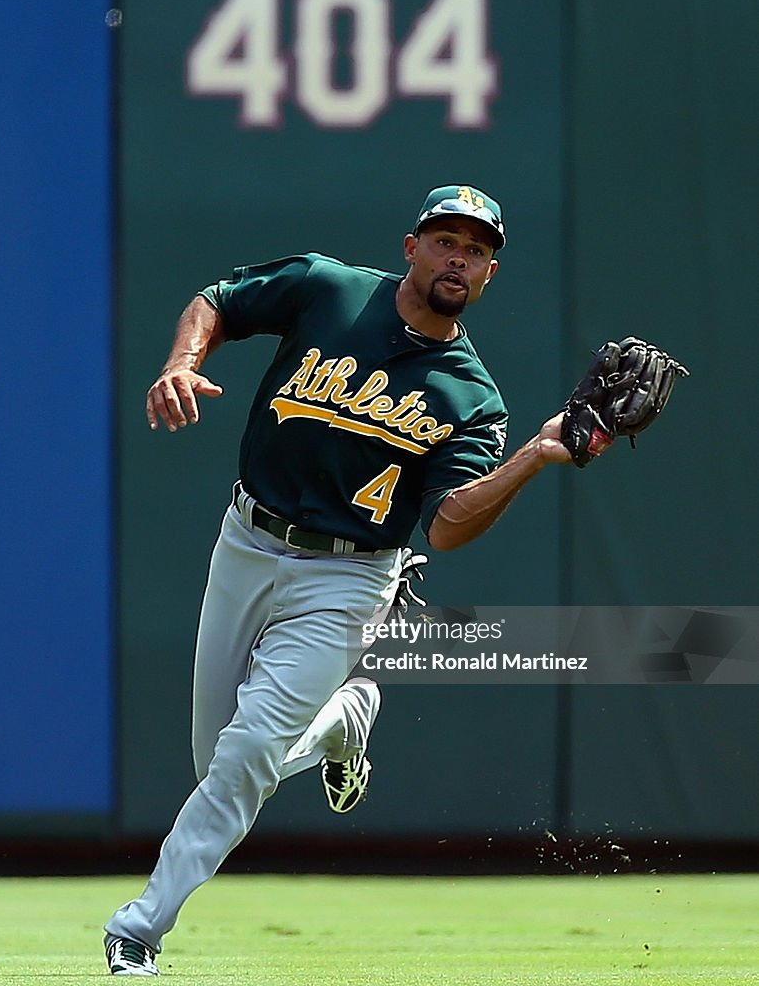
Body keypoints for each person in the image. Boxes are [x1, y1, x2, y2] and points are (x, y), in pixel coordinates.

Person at [103, 184, 574, 976]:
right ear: (410, 247)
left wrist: (533, 455)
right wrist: (183, 362)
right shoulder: (329, 289)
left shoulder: (471, 396)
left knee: (247, 753)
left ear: (491, 272)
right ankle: (347, 717)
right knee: (217, 764)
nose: (459, 257)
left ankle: (139, 929)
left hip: (349, 577)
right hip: (247, 541)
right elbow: (219, 300)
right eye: (446, 240)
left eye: (478, 249)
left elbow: (449, 525)